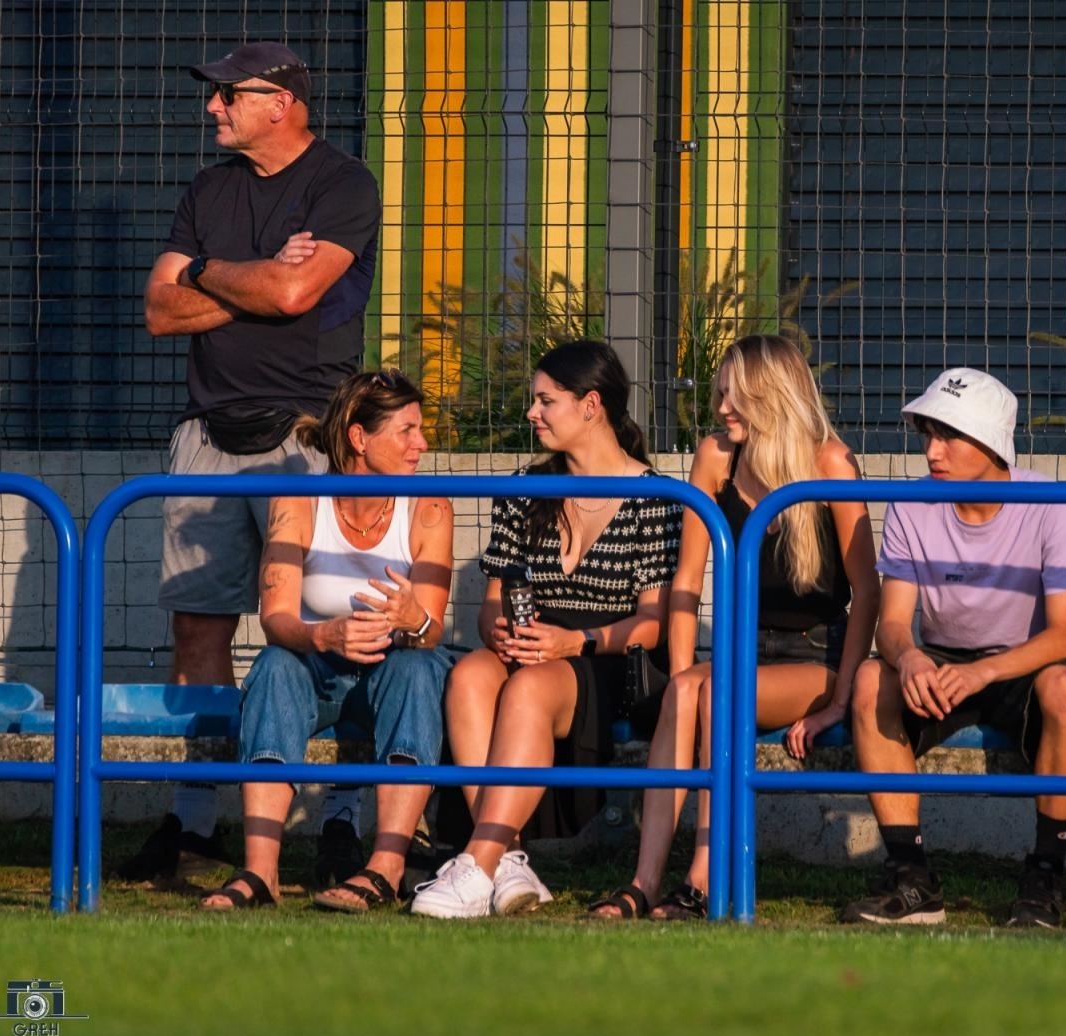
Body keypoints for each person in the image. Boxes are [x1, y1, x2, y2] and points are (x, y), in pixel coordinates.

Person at [123, 41, 381, 883]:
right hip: (206, 434)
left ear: (283, 103)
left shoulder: (343, 183)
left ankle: (339, 821)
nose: (213, 108)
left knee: (329, 623)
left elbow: (296, 295)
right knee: (198, 627)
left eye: (229, 94)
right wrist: (242, 275)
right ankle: (197, 825)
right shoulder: (208, 189)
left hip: (308, 438)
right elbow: (161, 311)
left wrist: (217, 277)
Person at [588, 335, 879, 920]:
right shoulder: (717, 457)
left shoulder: (831, 462)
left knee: (708, 692)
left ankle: (699, 880)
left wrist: (838, 702)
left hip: (813, 656)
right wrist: (678, 673)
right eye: (720, 393)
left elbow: (868, 591)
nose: (721, 407)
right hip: (741, 652)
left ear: (774, 397)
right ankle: (644, 883)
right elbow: (687, 581)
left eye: (735, 395)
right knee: (692, 690)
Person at [410, 340, 681, 919]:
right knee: (470, 676)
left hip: (603, 657)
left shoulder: (654, 498)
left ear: (591, 405)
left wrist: (572, 642)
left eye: (544, 401)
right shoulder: (524, 487)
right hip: (530, 645)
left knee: (531, 687)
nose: (531, 414)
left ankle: (476, 863)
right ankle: (507, 857)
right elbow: (489, 608)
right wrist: (500, 633)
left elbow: (653, 625)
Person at [838, 368, 1066, 927]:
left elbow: (1064, 636)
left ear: (990, 442)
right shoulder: (913, 504)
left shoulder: (1050, 504)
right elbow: (891, 623)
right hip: (939, 662)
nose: (932, 451)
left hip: (1024, 663)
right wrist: (907, 656)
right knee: (870, 681)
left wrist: (984, 674)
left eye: (948, 435)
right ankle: (912, 879)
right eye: (927, 434)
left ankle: (1044, 878)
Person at [199, 370, 452, 910]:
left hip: (395, 673)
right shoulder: (299, 501)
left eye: (420, 430)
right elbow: (277, 617)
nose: (421, 444)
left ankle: (385, 866)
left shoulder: (429, 507)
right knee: (274, 665)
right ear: (360, 438)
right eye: (406, 430)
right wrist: (325, 635)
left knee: (413, 668)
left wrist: (414, 620)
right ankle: (260, 872)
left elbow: (431, 637)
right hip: (319, 670)